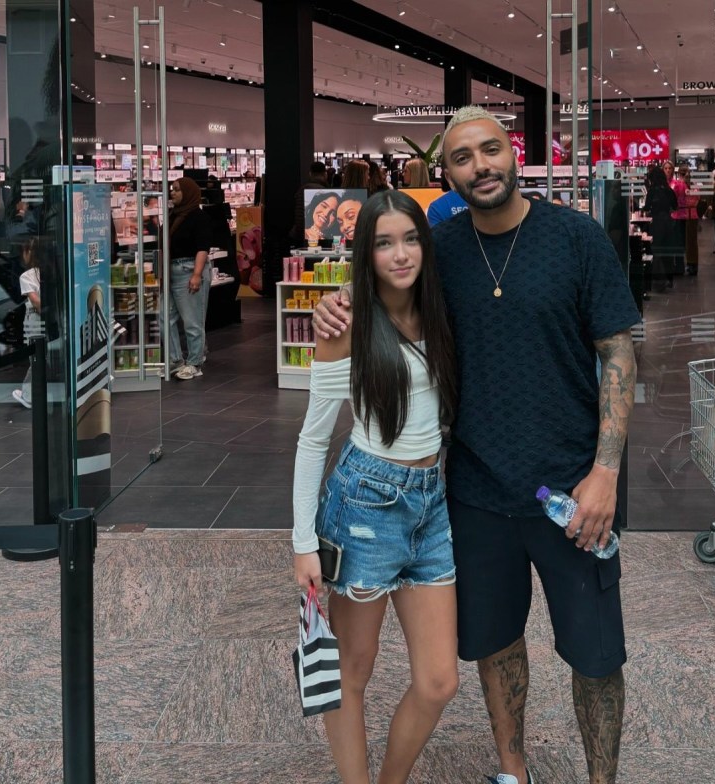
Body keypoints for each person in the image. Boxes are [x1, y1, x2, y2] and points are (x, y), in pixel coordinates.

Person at [314, 105, 639, 784]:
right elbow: (388, 287)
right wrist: (334, 307)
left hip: (573, 491)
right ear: (448, 172)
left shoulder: (577, 239)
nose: (479, 167)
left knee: (596, 654)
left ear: (513, 153)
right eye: (461, 158)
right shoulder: (445, 251)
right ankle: (512, 770)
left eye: (489, 150)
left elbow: (617, 352)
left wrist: (606, 470)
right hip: (474, 491)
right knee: (495, 643)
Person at [292, 189, 459, 784]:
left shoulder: (441, 308)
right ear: (366, 252)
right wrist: (302, 541)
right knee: (352, 673)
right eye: (384, 242)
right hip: (365, 502)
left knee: (439, 679)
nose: (400, 254)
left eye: (411, 238)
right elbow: (314, 437)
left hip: (432, 502)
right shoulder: (347, 320)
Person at [167, 177, 213, 380]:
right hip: (172, 271)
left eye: (177, 190)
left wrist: (196, 274)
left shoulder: (198, 217)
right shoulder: (173, 215)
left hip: (188, 270)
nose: (173, 193)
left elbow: (203, 247)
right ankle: (175, 359)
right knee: (164, 317)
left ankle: (195, 362)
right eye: (172, 189)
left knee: (192, 321)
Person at [11, 238, 42, 408]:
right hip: (56, 319)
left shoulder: (27, 276)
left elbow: (36, 302)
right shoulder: (56, 271)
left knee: (36, 358)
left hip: (35, 321)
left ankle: (29, 395)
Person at [642, 167, 678, 293]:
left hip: (656, 222)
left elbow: (646, 207)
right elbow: (675, 206)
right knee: (667, 250)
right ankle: (669, 278)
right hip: (668, 222)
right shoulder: (669, 190)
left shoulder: (652, 191)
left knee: (656, 250)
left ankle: (659, 280)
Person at [290, 162, 330, 247]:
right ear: (325, 174)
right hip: (311, 238)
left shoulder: (302, 189)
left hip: (301, 237)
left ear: (310, 174)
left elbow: (299, 217)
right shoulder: (326, 192)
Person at [670, 164, 699, 276]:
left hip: (681, 214)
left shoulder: (677, 184)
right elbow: (697, 198)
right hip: (690, 214)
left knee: (681, 241)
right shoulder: (693, 185)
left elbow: (674, 198)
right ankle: (692, 266)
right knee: (691, 242)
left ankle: (681, 266)